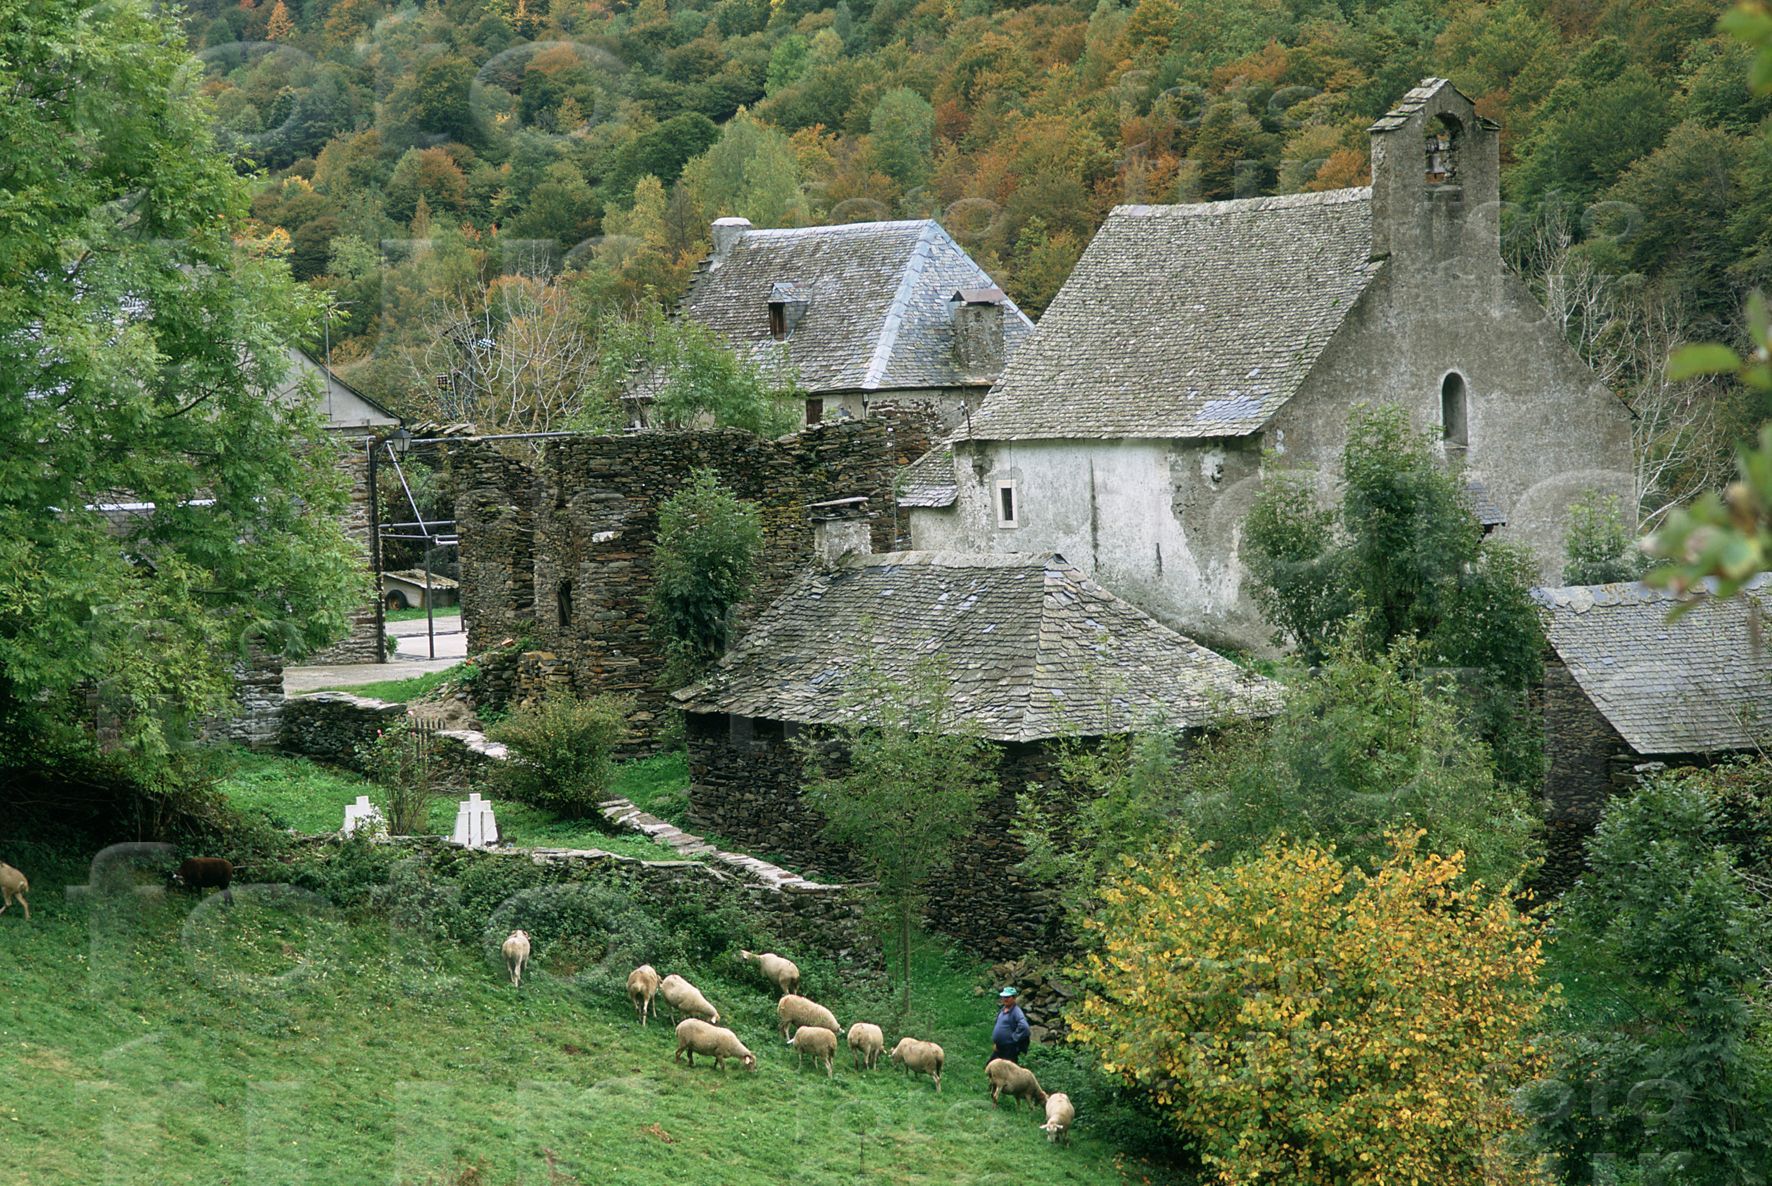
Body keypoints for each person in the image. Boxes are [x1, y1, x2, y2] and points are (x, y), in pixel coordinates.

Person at [990, 986, 1030, 1064]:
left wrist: (1014, 1037)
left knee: (1008, 1072)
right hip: (999, 1047)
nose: (1005, 999)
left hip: (1009, 1048)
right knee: (989, 1068)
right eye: (1004, 997)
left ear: (1014, 998)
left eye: (1008, 997)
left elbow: (1024, 1027)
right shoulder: (1002, 1010)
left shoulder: (1016, 1012)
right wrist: (996, 1042)